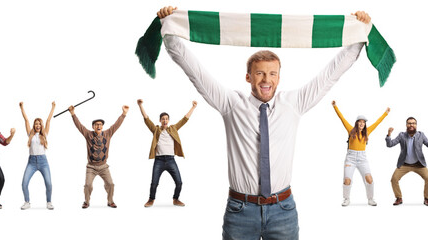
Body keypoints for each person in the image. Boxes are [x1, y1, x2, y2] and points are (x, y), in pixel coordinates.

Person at [158, 5, 371, 239]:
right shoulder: (231, 104)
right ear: (248, 77)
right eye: (259, 73)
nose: (266, 80)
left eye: (272, 73)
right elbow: (194, 71)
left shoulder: (294, 103)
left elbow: (332, 73)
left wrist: (358, 36)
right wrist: (169, 26)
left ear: (279, 77)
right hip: (240, 211)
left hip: (283, 210)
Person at [138, 99, 197, 207]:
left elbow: (184, 119)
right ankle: (151, 199)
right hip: (159, 160)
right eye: (163, 119)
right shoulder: (155, 129)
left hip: (171, 160)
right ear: (160, 120)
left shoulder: (173, 128)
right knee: (154, 183)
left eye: (166, 119)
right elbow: (146, 119)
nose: (165, 120)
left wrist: (193, 107)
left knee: (179, 182)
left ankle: (176, 199)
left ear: (168, 120)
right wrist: (140, 105)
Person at [69, 104, 128, 208]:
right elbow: (79, 126)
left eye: (100, 124)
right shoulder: (88, 134)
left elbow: (116, 125)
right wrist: (73, 114)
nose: (99, 126)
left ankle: (110, 201)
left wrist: (124, 114)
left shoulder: (108, 133)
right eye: (96, 124)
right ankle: (86, 202)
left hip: (103, 166)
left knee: (110, 184)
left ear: (102, 126)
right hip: (91, 167)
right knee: (87, 185)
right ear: (93, 127)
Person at [332, 100, 389, 206]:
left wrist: (385, 113)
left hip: (362, 157)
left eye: (364, 122)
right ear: (357, 123)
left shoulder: (367, 132)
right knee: (347, 180)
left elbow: (377, 123)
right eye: (360, 121)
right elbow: (342, 118)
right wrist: (335, 106)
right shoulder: (350, 130)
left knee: (369, 178)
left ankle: (370, 199)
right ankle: (346, 199)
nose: (362, 123)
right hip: (351, 157)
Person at [386, 117, 428, 206]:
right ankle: (399, 198)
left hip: (418, 164)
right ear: (406, 125)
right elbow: (390, 144)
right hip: (404, 164)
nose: (411, 125)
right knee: (394, 179)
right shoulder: (402, 135)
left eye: (413, 123)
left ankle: (427, 199)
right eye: (409, 123)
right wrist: (389, 134)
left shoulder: (421, 135)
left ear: (416, 125)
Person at [19, 101, 56, 210]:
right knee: (24, 183)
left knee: (49, 183)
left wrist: (53, 107)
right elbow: (26, 120)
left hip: (43, 161)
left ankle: (49, 202)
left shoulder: (44, 134)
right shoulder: (30, 134)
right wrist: (22, 108)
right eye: (36, 123)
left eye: (40, 124)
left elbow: (49, 120)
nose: (38, 125)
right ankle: (27, 202)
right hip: (31, 162)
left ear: (41, 125)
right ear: (34, 126)